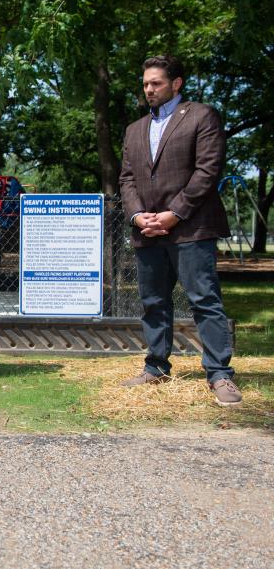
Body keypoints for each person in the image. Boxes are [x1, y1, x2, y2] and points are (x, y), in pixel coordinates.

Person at [118, 55, 241, 407]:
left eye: (156, 83)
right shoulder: (134, 129)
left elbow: (207, 171)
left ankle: (219, 374)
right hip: (147, 231)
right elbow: (126, 179)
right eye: (145, 84)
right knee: (153, 302)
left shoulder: (201, 116)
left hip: (192, 228)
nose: (149, 89)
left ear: (176, 83)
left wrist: (174, 213)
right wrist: (138, 216)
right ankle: (156, 367)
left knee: (204, 300)